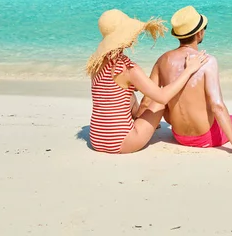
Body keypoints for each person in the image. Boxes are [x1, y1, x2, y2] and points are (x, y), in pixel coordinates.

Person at [139, 6, 232, 157]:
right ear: (199, 33)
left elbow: (147, 100)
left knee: (166, 99)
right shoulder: (207, 61)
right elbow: (217, 106)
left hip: (178, 136)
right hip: (205, 137)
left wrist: (141, 128)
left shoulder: (163, 60)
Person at [85, 9, 209, 154]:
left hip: (96, 139)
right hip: (121, 143)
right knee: (160, 102)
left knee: (127, 93)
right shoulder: (128, 68)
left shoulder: (95, 64)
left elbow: (111, 93)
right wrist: (189, 70)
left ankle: (139, 118)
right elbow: (162, 96)